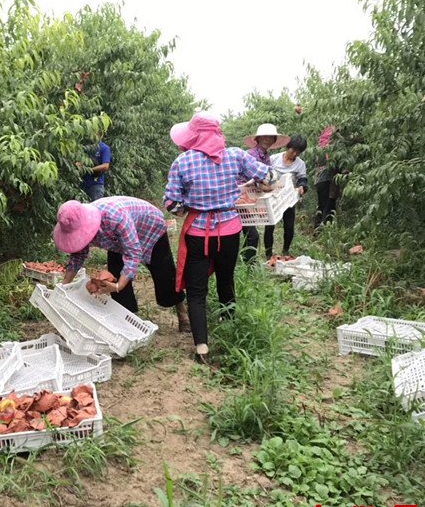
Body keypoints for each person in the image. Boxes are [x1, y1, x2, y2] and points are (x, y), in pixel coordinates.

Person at [164, 112, 277, 364]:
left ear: (194, 136)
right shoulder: (236, 155)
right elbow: (271, 177)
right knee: (226, 280)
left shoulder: (183, 161)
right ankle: (229, 328)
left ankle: (202, 348)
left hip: (198, 233)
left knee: (196, 291)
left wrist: (189, 207)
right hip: (230, 231)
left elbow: (172, 204)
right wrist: (257, 186)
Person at [53, 196, 189, 332]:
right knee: (116, 274)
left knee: (164, 272)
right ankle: (128, 320)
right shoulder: (78, 224)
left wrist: (119, 286)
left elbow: (133, 253)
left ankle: (183, 315)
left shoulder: (114, 218)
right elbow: (78, 255)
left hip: (150, 227)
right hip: (118, 239)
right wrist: (64, 287)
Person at [241, 124, 290, 263]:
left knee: (249, 233)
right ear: (257, 139)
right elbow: (249, 178)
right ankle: (248, 264)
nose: (267, 140)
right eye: (264, 137)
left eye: (270, 137)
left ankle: (247, 261)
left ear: (274, 140)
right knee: (252, 235)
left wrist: (268, 185)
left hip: (251, 197)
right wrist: (262, 185)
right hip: (242, 196)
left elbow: (267, 177)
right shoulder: (251, 154)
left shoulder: (266, 156)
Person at [264, 135, 309, 262]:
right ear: (287, 147)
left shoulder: (300, 164)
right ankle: (268, 254)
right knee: (270, 225)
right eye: (292, 150)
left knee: (289, 226)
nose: (294, 154)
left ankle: (285, 250)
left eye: (297, 152)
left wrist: (302, 187)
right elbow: (265, 174)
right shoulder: (274, 159)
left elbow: (302, 179)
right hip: (273, 197)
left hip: (289, 198)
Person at [313, 154, 345, 229]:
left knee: (322, 205)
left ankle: (317, 228)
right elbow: (332, 165)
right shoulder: (329, 152)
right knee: (329, 205)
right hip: (327, 181)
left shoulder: (319, 152)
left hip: (319, 181)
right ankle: (324, 228)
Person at [76, 137, 111, 201]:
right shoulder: (87, 147)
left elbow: (105, 166)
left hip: (96, 185)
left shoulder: (104, 148)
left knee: (94, 205)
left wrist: (89, 169)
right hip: (83, 183)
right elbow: (80, 161)